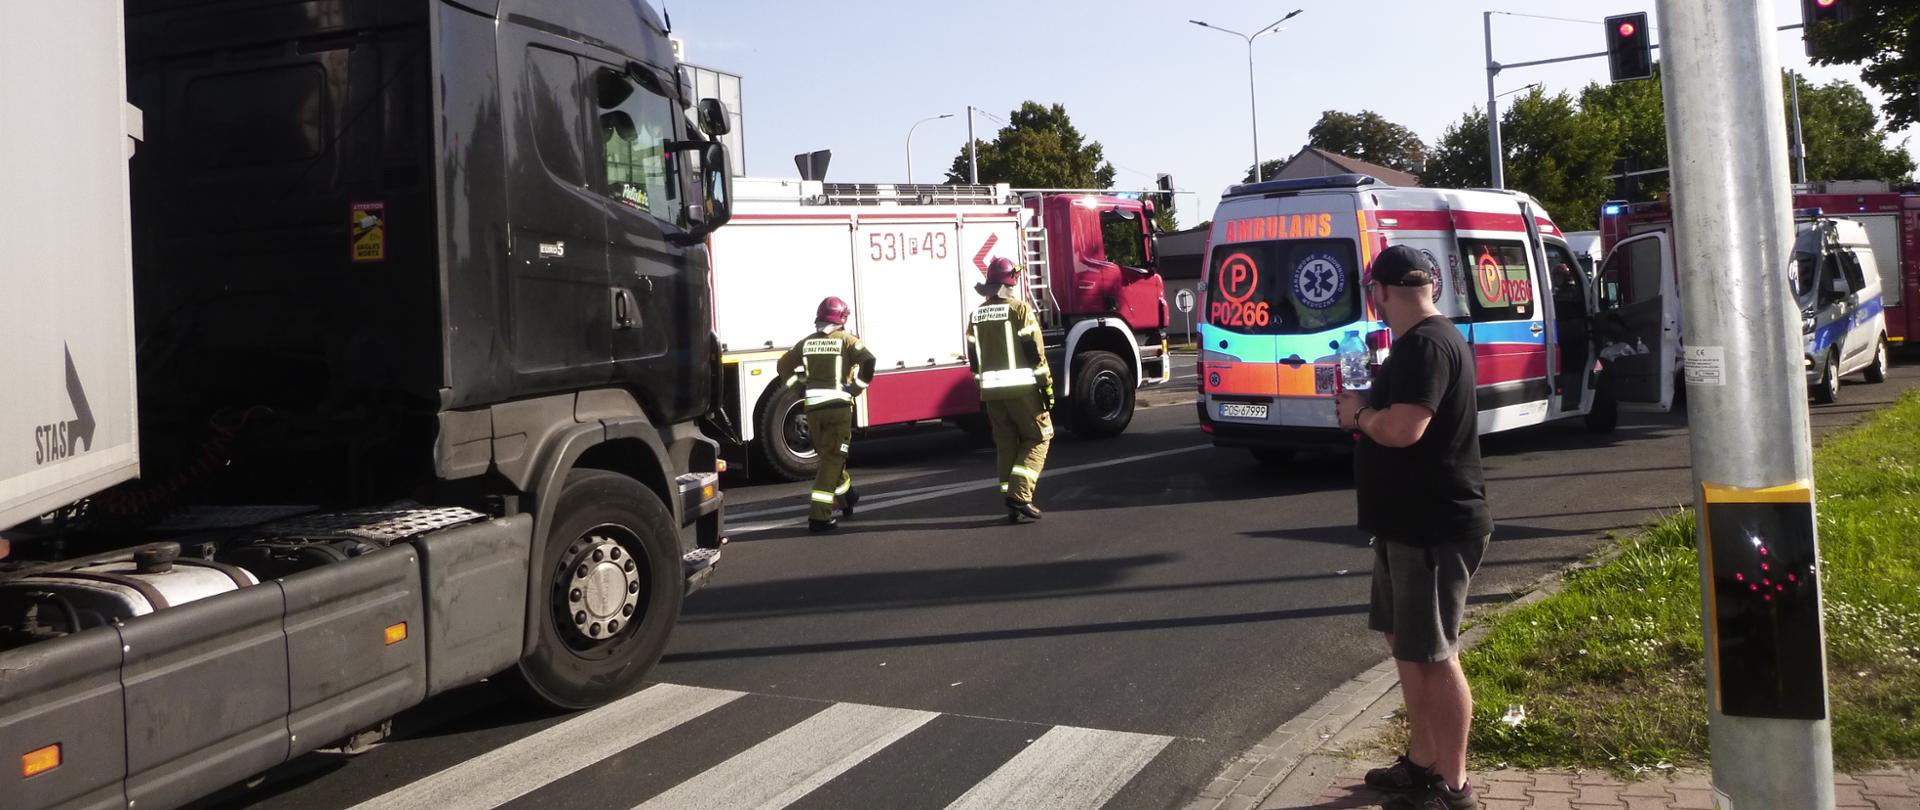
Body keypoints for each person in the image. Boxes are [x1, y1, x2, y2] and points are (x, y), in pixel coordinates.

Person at [1335, 245, 1491, 810]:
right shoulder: (1424, 340)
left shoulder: (1426, 344)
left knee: (1435, 653)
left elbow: (1403, 430)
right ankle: (1423, 762)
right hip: (1405, 524)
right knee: (1407, 643)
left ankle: (1454, 787)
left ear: (1379, 292)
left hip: (1432, 527)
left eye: (1370, 292)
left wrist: (1357, 415)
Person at [776, 296, 876, 533]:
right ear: (841, 318)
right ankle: (819, 517)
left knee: (831, 459)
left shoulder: (807, 343)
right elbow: (869, 361)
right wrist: (858, 388)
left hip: (813, 411)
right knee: (833, 460)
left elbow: (783, 366)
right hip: (838, 410)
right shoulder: (847, 340)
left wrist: (797, 388)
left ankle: (848, 497)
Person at [966, 257, 1053, 524]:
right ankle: (1020, 495)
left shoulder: (977, 314)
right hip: (1022, 389)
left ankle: (1010, 501)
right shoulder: (1020, 310)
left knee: (1006, 444)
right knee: (1040, 437)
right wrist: (1046, 385)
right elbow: (1034, 352)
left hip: (992, 393)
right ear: (1010, 281)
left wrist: (981, 387)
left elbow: (974, 358)